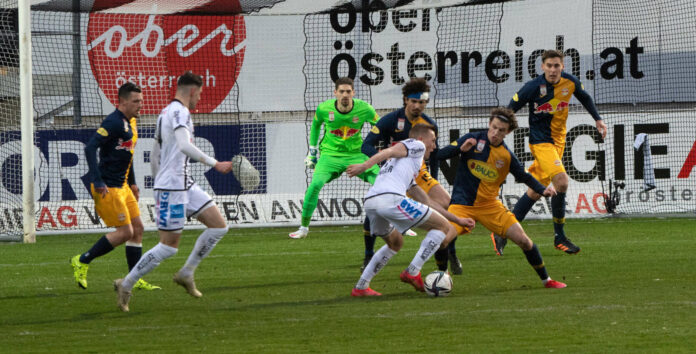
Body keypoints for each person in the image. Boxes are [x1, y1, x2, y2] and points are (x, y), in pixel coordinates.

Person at [113, 72, 234, 312]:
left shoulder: (165, 112)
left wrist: (159, 177)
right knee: (168, 247)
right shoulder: (180, 112)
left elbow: (156, 152)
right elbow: (184, 145)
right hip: (172, 186)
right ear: (191, 91)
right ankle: (125, 284)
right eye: (199, 93)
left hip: (183, 183)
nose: (199, 98)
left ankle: (187, 272)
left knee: (219, 226)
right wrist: (215, 163)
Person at [491, 49, 608, 256]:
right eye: (549, 66)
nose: (553, 70)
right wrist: (497, 132)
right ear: (542, 67)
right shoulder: (532, 87)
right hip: (541, 143)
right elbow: (509, 111)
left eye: (557, 66)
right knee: (561, 182)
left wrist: (598, 119)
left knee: (536, 190)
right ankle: (559, 236)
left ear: (562, 66)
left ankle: (501, 232)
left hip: (558, 143)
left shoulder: (569, 82)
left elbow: (585, 97)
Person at [437, 107, 567, 289]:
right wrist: (458, 149)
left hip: (490, 206)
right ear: (489, 124)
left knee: (523, 240)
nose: (496, 133)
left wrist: (542, 189)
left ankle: (547, 280)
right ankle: (442, 278)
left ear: (508, 133)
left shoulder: (506, 156)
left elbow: (523, 175)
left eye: (501, 130)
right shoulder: (472, 140)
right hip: (462, 205)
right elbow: (438, 155)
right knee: (443, 239)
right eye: (494, 128)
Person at [347, 124, 475, 296]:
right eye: (433, 140)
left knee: (395, 243)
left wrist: (458, 220)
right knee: (444, 228)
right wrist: (364, 166)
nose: (434, 146)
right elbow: (389, 151)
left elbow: (427, 201)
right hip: (390, 198)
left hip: (372, 203)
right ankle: (413, 271)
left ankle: (361, 287)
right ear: (422, 139)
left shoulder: (409, 166)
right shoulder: (417, 145)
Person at [362, 78, 463, 275]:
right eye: (413, 101)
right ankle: (368, 254)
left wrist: (433, 178)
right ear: (406, 100)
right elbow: (366, 145)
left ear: (426, 102)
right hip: (395, 175)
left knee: (447, 205)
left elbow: (433, 155)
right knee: (376, 210)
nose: (417, 106)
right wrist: (384, 163)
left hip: (420, 174)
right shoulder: (391, 120)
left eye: (422, 102)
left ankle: (450, 252)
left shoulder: (429, 125)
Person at [289, 77, 392, 266]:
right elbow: (315, 126)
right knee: (315, 185)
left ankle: (400, 223)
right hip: (330, 156)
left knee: (383, 182)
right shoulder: (323, 109)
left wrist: (387, 149)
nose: (345, 95)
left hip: (357, 155)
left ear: (353, 93)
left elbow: (381, 127)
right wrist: (312, 153)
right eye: (341, 91)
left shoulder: (365, 109)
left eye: (348, 91)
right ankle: (303, 227)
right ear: (335, 93)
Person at [71, 82, 160, 291]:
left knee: (138, 229)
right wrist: (98, 180)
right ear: (123, 102)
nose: (141, 105)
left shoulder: (132, 122)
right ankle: (82, 260)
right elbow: (90, 147)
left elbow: (127, 155)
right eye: (136, 101)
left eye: (141, 100)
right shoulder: (113, 122)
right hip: (108, 188)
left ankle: (133, 278)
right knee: (125, 232)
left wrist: (133, 183)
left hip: (124, 186)